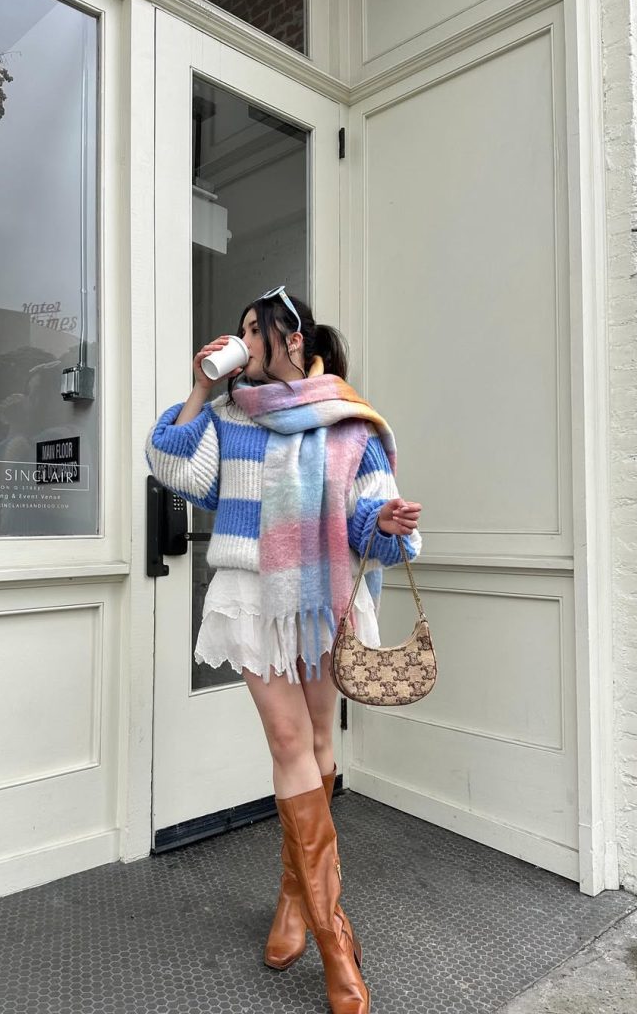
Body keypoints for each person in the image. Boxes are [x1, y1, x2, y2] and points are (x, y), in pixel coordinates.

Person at [145, 286, 422, 1014]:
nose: (240, 341)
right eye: (237, 330)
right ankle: (336, 943)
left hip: (323, 598)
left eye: (252, 329)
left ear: (292, 339)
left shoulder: (349, 424)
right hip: (251, 597)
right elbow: (171, 464)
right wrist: (200, 386)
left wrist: (384, 522)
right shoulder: (229, 418)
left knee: (320, 744)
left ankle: (297, 898)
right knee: (291, 741)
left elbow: (370, 523)